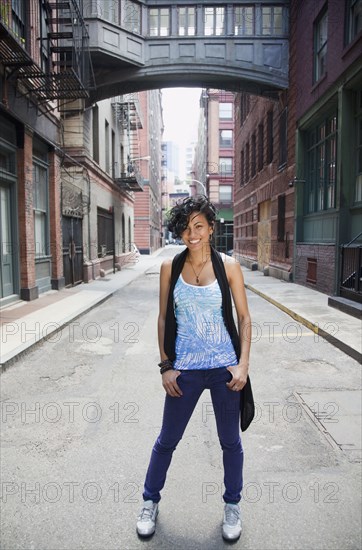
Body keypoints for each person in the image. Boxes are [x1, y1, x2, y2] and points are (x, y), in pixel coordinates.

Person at [136, 195, 252, 541]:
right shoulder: (170, 267)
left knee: (230, 442)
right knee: (167, 440)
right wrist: (165, 366)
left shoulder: (229, 267)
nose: (192, 234)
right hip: (185, 370)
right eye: (186, 228)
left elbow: (244, 318)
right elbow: (162, 318)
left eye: (199, 226)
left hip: (223, 370)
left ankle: (232, 505)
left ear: (211, 228)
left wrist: (242, 365)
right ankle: (149, 502)